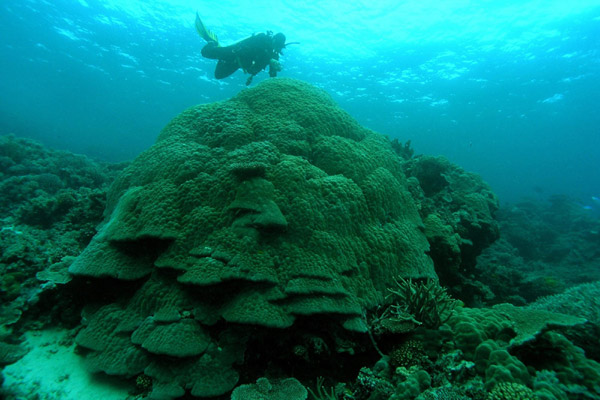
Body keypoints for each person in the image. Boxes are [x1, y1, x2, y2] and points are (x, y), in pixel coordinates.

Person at [195, 13, 288, 86]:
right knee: (204, 52)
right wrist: (269, 60)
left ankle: (222, 59)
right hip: (233, 53)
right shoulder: (262, 37)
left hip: (238, 64)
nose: (276, 48)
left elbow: (272, 77)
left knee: (218, 75)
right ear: (274, 39)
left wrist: (275, 69)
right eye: (277, 45)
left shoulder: (274, 55)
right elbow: (254, 48)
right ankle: (213, 43)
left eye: (279, 47)